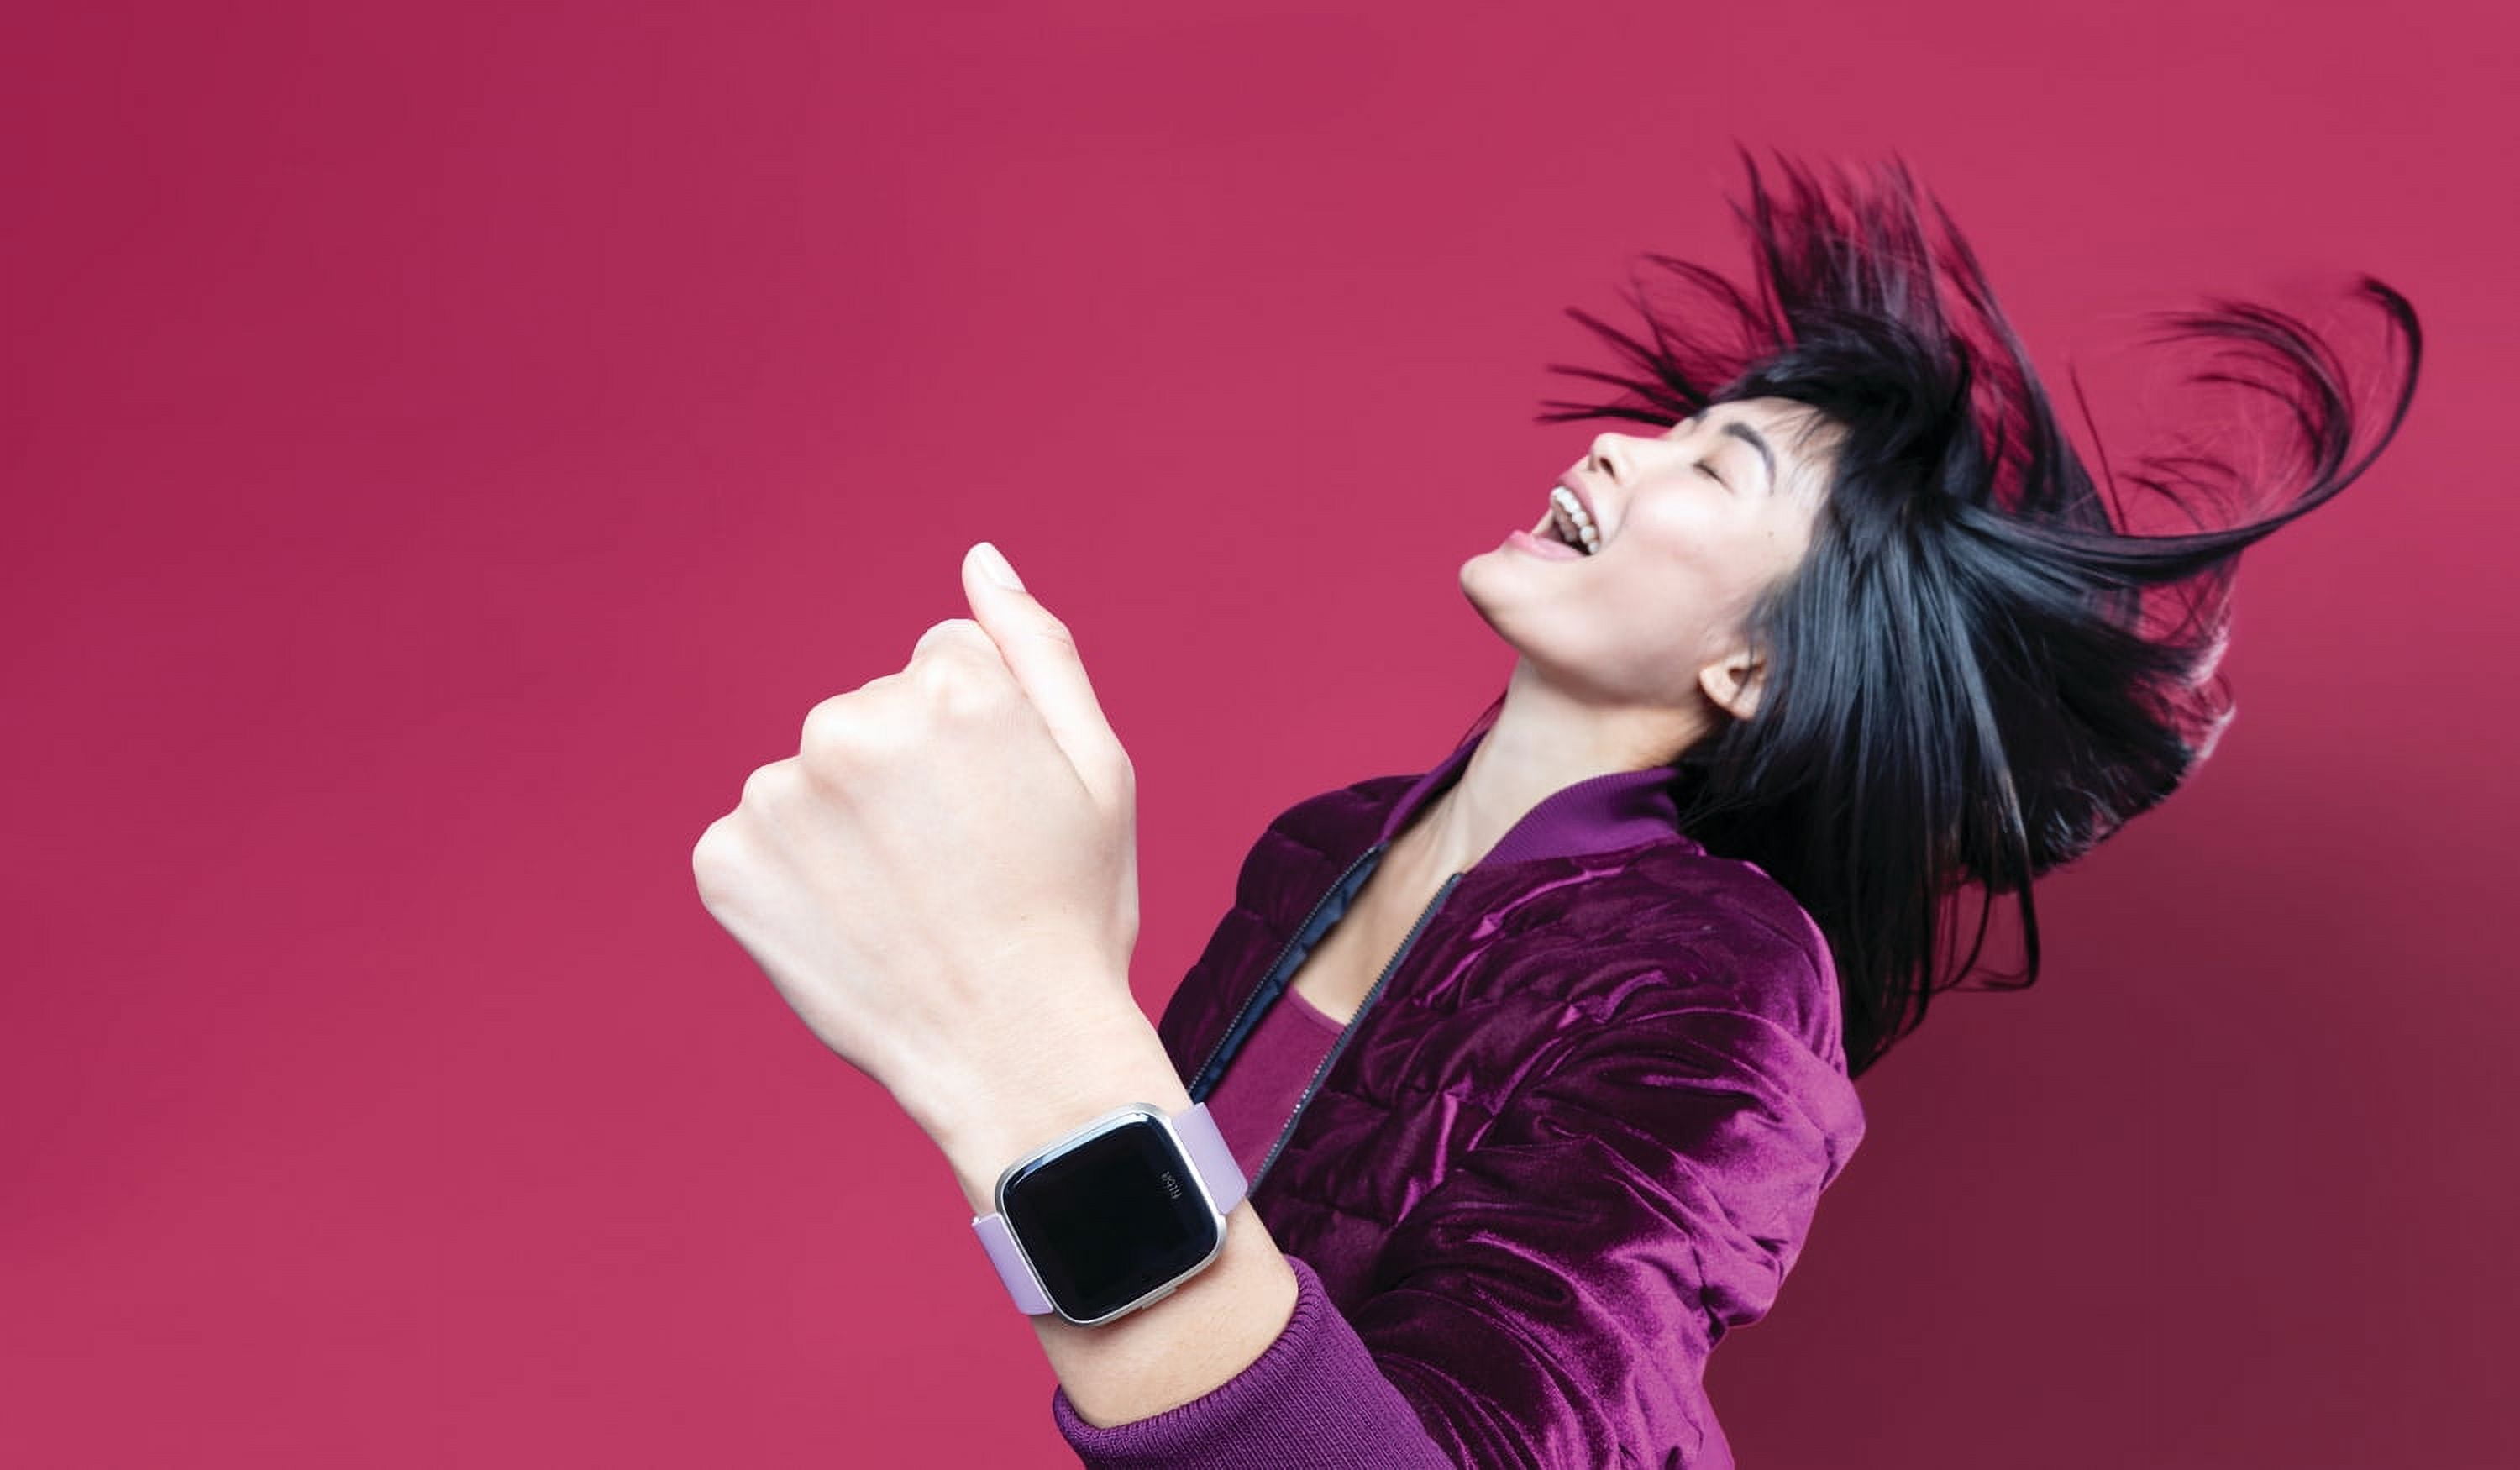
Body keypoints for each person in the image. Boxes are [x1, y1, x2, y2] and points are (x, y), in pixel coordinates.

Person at [693, 145, 2420, 1469]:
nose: (1617, 448)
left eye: (1715, 467)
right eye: (1672, 422)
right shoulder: (1322, 848)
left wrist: (1020, 1025)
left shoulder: (1726, 988)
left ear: (1757, 666)